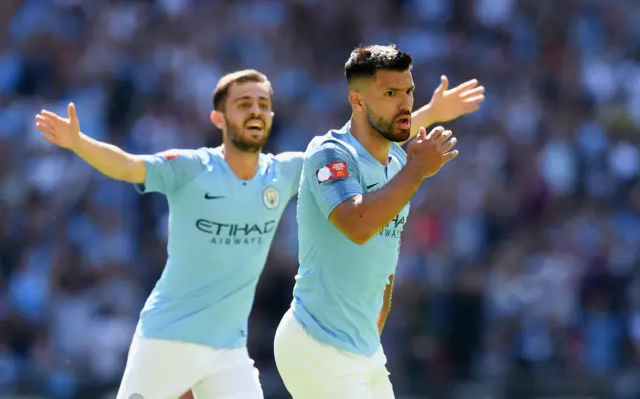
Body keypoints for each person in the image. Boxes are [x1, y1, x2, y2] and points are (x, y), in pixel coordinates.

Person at [35, 64, 482, 399]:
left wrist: (422, 114)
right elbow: (129, 165)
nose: (256, 111)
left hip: (228, 347)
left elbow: (363, 145)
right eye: (243, 104)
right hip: (166, 335)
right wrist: (79, 143)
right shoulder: (191, 169)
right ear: (218, 118)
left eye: (263, 104)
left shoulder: (286, 172)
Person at [273, 45, 472, 398]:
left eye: (408, 91)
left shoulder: (395, 162)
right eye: (391, 93)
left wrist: (433, 112)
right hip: (317, 343)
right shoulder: (330, 153)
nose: (405, 103)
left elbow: (397, 136)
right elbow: (358, 224)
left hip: (363, 349)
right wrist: (417, 170)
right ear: (358, 101)